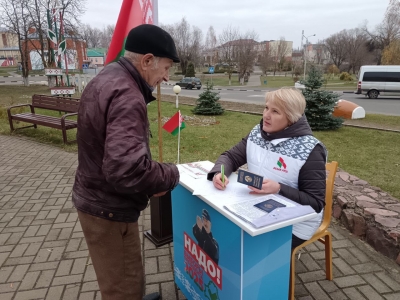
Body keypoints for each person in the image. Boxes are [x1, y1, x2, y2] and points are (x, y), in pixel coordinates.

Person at [72, 24, 181, 300]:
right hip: (108, 210)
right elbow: (127, 169)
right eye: (166, 68)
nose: (166, 77)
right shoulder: (128, 96)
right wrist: (171, 174)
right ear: (147, 60)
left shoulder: (109, 75)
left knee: (126, 273)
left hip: (101, 198)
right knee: (124, 287)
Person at [207, 88, 327, 249]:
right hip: (257, 208)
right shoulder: (258, 133)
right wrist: (219, 172)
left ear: (291, 118)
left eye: (275, 111)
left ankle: (272, 271)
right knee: (224, 233)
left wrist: (278, 188)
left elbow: (315, 202)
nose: (266, 115)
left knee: (249, 249)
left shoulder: (310, 149)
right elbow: (231, 157)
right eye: (266, 108)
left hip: (296, 224)